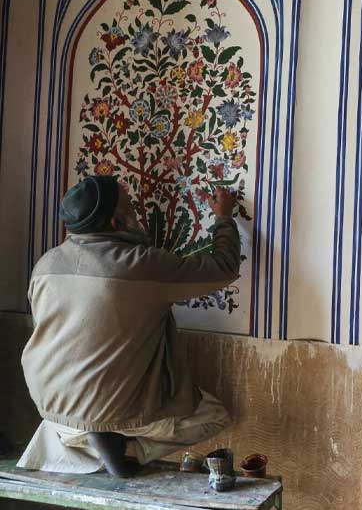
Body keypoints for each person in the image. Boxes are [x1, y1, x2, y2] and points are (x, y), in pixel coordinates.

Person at [19, 176, 240, 478]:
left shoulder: (45, 265)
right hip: (117, 414)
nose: (138, 216)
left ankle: (87, 437)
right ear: (115, 222)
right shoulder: (141, 264)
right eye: (132, 210)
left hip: (50, 407)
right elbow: (223, 267)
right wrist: (223, 218)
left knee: (89, 408)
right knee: (216, 415)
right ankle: (127, 449)